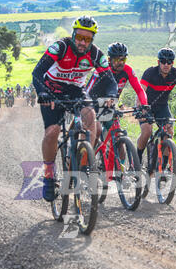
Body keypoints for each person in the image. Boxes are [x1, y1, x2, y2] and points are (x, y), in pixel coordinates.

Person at [32, 15, 117, 202]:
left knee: (91, 119)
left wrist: (111, 95)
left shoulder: (95, 54)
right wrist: (42, 93)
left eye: (87, 39)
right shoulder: (60, 47)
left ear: (92, 39)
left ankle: (83, 164)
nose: (82, 42)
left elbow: (109, 78)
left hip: (76, 91)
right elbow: (37, 72)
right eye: (79, 37)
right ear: (73, 34)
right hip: (51, 90)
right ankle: (48, 176)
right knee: (52, 132)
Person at [136, 47, 176, 164]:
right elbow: (140, 92)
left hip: (162, 106)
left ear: (172, 63)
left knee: (169, 133)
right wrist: (141, 109)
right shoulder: (150, 72)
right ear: (158, 62)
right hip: (145, 105)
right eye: (163, 61)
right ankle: (137, 158)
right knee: (147, 131)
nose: (166, 64)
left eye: (169, 62)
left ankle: (162, 168)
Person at [86, 42, 149, 139]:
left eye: (123, 59)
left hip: (109, 104)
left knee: (117, 134)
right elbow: (88, 89)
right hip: (93, 102)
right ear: (109, 60)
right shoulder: (102, 70)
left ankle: (112, 150)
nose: (120, 62)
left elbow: (140, 90)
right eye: (116, 59)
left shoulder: (128, 70)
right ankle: (90, 153)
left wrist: (144, 105)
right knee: (97, 130)